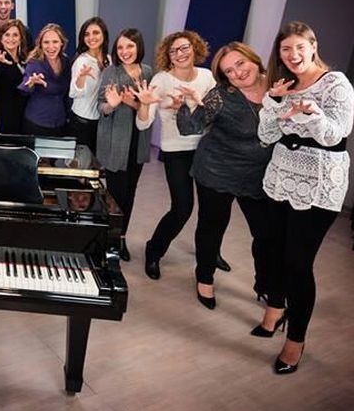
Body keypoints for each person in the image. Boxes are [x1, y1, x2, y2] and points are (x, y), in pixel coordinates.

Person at [257, 21, 353, 374]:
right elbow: (266, 135)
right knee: (272, 249)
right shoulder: (284, 85)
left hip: (318, 182)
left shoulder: (336, 84)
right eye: (286, 49)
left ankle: (295, 340)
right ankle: (273, 311)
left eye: (299, 47)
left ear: (313, 46)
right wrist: (273, 101)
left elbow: (335, 135)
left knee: (298, 262)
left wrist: (312, 114)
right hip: (281, 175)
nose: (293, 55)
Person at [173, 42, 276, 311]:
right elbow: (190, 127)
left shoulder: (278, 87)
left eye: (240, 64)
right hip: (217, 170)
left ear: (254, 59)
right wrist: (189, 103)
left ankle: (264, 284)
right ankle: (204, 278)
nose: (238, 73)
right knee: (213, 225)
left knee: (265, 234)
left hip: (256, 176)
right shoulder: (221, 95)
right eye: (229, 71)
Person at [137, 30, 223, 281]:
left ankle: (209, 254)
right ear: (168, 56)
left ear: (195, 48)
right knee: (182, 208)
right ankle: (154, 251)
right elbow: (143, 125)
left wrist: (196, 102)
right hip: (176, 152)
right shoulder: (162, 80)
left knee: (213, 210)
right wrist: (144, 103)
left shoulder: (207, 76)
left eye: (184, 48)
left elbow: (217, 112)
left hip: (207, 149)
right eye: (174, 51)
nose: (180, 54)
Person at [95, 29, 153, 262]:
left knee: (130, 193)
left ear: (138, 47)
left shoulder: (147, 71)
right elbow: (101, 106)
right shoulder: (111, 72)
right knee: (115, 196)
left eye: (129, 46)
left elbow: (148, 105)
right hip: (115, 142)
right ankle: (108, 239)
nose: (125, 52)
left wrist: (136, 103)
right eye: (120, 48)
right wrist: (112, 104)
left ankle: (121, 237)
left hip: (138, 142)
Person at [20, 23, 72, 136]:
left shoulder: (66, 61)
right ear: (40, 44)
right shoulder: (34, 63)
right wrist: (31, 83)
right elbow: (24, 87)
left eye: (55, 42)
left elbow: (67, 92)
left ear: (62, 43)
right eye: (46, 42)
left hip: (60, 123)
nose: (51, 47)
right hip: (37, 123)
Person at [69, 17, 110, 153]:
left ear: (104, 34)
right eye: (87, 34)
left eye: (96, 33)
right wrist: (81, 78)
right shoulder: (82, 61)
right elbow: (74, 93)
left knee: (96, 167)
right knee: (82, 166)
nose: (91, 37)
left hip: (101, 122)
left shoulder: (108, 60)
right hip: (82, 123)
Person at [0, 19, 28, 133]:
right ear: (1, 38)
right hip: (6, 115)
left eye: (15, 35)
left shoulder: (24, 59)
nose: (11, 39)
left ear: (20, 38)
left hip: (24, 114)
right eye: (7, 35)